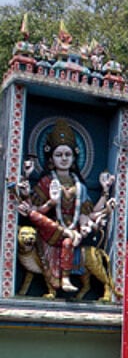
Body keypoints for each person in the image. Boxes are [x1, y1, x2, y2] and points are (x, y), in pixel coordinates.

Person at [16, 119, 114, 294]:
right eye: (59, 155)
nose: (63, 159)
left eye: (67, 155)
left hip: (74, 231)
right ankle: (62, 279)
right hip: (51, 231)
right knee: (62, 237)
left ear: (74, 157)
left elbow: (88, 213)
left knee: (70, 240)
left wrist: (105, 194)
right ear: (51, 157)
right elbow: (34, 210)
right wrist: (51, 203)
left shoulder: (80, 186)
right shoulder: (46, 182)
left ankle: (67, 277)